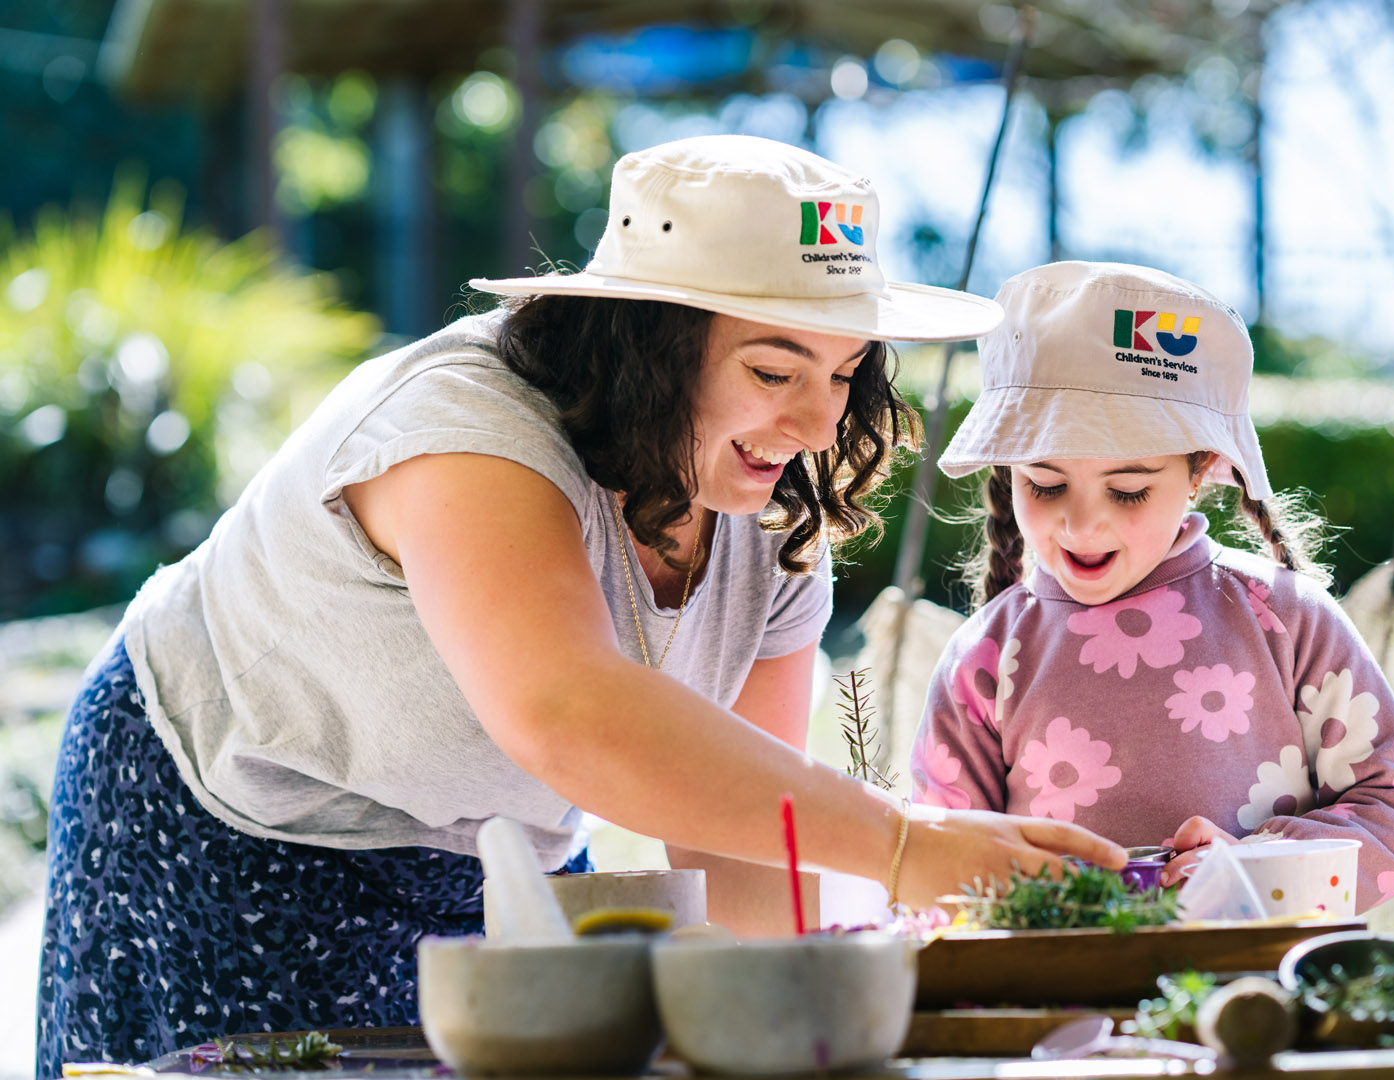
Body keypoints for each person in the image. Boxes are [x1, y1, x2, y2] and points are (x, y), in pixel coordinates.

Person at [36, 136, 1127, 1077]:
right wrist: (900, 844)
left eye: (844, 373)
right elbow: (569, 715)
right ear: (648, 344)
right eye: (774, 367)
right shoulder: (466, 432)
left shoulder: (770, 525)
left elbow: (741, 859)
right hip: (221, 822)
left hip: (487, 864)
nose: (813, 421)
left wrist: (819, 1011)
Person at [908, 261, 1394, 912]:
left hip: (1260, 1001)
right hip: (1062, 1005)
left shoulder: (1287, 619)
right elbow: (934, 862)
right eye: (1044, 484)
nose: (1082, 522)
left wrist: (1255, 869)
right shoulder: (985, 658)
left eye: (1129, 489)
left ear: (1201, 469)